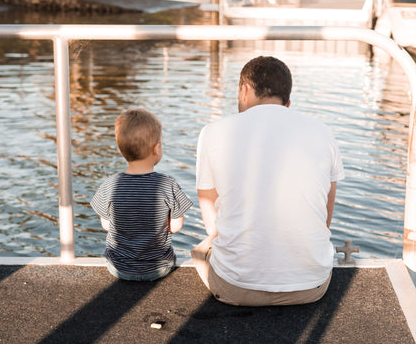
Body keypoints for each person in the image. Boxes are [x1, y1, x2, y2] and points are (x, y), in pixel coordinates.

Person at [192, 56, 345, 306]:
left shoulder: (213, 132)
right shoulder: (322, 132)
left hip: (235, 288)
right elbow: (324, 219)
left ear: (244, 90)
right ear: (287, 102)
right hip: (312, 287)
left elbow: (212, 224)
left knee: (204, 246)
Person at [91, 108, 192, 281]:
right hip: (159, 268)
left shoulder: (110, 185)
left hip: (118, 267)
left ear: (121, 149)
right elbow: (176, 227)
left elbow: (106, 225)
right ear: (157, 148)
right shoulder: (168, 185)